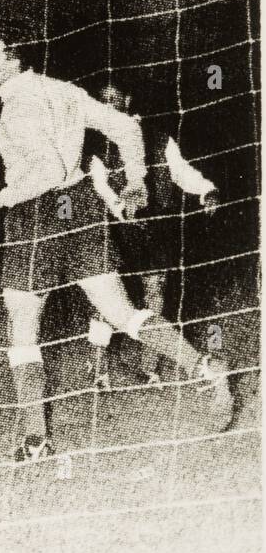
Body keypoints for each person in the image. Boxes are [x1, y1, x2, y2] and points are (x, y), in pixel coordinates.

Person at [0, 28, 233, 462]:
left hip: (37, 214)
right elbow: (126, 127)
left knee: (23, 323)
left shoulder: (19, 103)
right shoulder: (64, 90)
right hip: (81, 206)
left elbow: (48, 170)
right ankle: (203, 366)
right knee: (121, 312)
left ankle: (35, 439)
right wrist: (136, 181)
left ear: (15, 60)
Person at [84, 82, 220, 388]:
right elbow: (101, 187)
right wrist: (121, 206)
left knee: (154, 290)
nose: (108, 105)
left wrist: (207, 190)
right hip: (115, 231)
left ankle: (150, 367)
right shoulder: (97, 149)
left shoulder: (160, 139)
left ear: (127, 99)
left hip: (154, 228)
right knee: (103, 302)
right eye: (101, 100)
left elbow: (181, 171)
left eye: (113, 99)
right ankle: (98, 370)